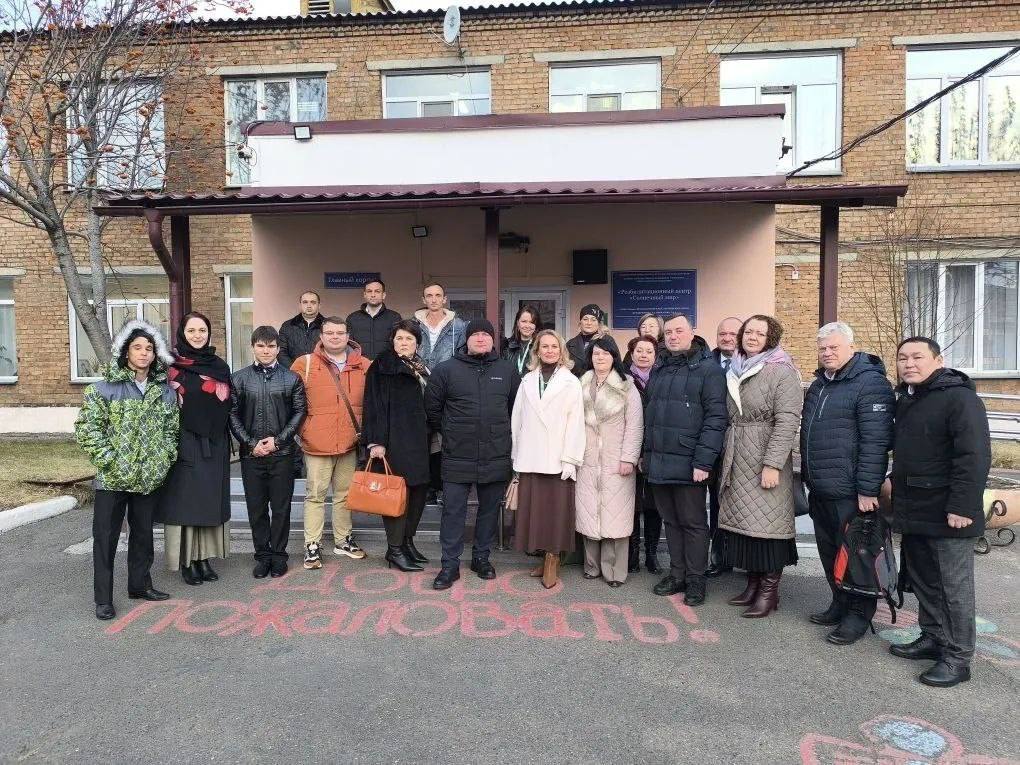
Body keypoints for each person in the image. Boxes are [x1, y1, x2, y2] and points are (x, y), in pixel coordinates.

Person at [890, 336, 991, 688]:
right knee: (925, 580)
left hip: (950, 511)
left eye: (918, 357)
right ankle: (933, 637)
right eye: (903, 358)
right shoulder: (908, 397)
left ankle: (958, 656)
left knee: (954, 588)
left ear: (938, 359)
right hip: (915, 506)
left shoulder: (960, 398)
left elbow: (973, 455)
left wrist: (963, 505)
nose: (909, 364)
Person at [75, 320, 179, 620]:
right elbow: (88, 429)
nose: (144, 353)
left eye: (149, 348)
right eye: (137, 348)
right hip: (112, 479)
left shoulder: (165, 392)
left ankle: (139, 585)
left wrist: (164, 458)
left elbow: (172, 431)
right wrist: (111, 461)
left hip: (148, 479)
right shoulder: (103, 389)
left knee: (143, 536)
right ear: (125, 352)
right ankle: (103, 599)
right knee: (105, 539)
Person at [801, 321, 894, 645]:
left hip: (852, 492)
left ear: (851, 348)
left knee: (857, 555)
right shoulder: (819, 385)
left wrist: (868, 488)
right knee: (830, 553)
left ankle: (859, 614)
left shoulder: (870, 384)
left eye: (834, 347)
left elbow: (875, 441)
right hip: (822, 487)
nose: (827, 353)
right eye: (823, 348)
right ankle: (839, 603)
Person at [717, 315, 803, 617]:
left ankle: (769, 591)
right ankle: (753, 584)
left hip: (764, 455)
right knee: (747, 525)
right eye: (748, 331)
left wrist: (773, 464)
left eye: (760, 333)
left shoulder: (782, 371)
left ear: (771, 338)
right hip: (739, 454)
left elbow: (788, 420)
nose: (752, 337)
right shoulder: (736, 367)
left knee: (768, 525)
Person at [425, 318, 519, 590]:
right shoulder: (446, 370)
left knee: (489, 510)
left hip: (496, 453)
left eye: (485, 335)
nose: (480, 338)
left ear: (493, 340)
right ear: (466, 339)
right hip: (457, 454)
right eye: (475, 334)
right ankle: (449, 565)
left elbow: (517, 410)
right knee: (453, 511)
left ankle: (481, 558)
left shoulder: (508, 370)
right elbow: (432, 408)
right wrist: (450, 432)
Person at [642, 313, 727, 607]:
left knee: (693, 523)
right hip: (659, 461)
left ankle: (696, 579)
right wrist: (645, 454)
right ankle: (677, 574)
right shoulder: (660, 368)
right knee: (671, 521)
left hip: (690, 462)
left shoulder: (708, 370)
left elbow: (716, 419)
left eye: (679, 331)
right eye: (669, 332)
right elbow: (649, 415)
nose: (673, 336)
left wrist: (704, 462)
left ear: (692, 332)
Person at [158, 312, 232, 587]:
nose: (198, 335)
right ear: (182, 334)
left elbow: (229, 403)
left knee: (208, 501)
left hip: (215, 442)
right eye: (192, 330)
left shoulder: (219, 365)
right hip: (185, 440)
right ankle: (187, 560)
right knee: (187, 502)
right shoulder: (170, 367)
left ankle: (204, 558)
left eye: (202, 330)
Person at [291, 317, 369, 570]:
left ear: (348, 336)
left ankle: (343, 540)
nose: (335, 337)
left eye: (340, 332)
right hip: (316, 443)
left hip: (348, 442)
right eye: (329, 332)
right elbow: (291, 401)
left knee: (345, 495)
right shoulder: (305, 363)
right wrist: (303, 431)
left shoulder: (364, 365)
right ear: (321, 336)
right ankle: (312, 545)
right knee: (315, 495)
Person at [229, 325, 307, 579]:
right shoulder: (239, 378)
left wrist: (279, 441)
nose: (266, 350)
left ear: (278, 348)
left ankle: (279, 556)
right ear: (253, 347)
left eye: (271, 346)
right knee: (257, 509)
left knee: (281, 509)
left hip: (282, 455)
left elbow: (299, 412)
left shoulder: (291, 378)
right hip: (252, 457)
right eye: (261, 345)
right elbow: (232, 415)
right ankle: (262, 556)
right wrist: (252, 443)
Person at [510, 329, 585, 589]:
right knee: (536, 512)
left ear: (561, 350)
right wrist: (516, 455)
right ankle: (543, 556)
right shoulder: (527, 380)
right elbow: (517, 419)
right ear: (537, 350)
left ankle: (554, 559)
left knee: (555, 512)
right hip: (531, 455)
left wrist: (570, 459)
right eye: (545, 346)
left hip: (557, 457)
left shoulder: (570, 382)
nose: (549, 350)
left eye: (554, 346)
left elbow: (576, 423)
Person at [362, 319, 433, 572]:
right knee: (397, 494)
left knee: (417, 493)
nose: (404, 343)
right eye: (400, 338)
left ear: (417, 343)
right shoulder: (383, 365)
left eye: (409, 339)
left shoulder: (421, 367)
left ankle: (407, 542)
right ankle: (394, 549)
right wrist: (376, 442)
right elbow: (373, 404)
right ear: (392, 341)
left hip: (421, 440)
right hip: (394, 440)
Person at [576, 338, 643, 587]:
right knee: (589, 511)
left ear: (614, 356)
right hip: (587, 459)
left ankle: (615, 571)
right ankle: (591, 566)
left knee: (616, 516)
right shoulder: (581, 384)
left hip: (617, 460)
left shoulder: (627, 386)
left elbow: (635, 426)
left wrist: (629, 458)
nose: (600, 357)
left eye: (605, 353)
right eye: (595, 353)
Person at [414, 282, 468, 504]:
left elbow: (463, 354)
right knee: (421, 439)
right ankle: (425, 487)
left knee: (445, 440)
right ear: (424, 299)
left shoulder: (458, 326)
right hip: (418, 387)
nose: (434, 299)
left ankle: (445, 487)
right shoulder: (413, 324)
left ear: (444, 299)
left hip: (447, 389)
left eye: (438, 295)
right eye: (429, 295)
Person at [707, 316, 743, 577]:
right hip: (714, 447)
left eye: (732, 334)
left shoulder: (754, 363)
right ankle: (719, 558)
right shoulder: (706, 363)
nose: (727, 338)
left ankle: (742, 556)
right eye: (722, 334)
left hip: (742, 447)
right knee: (717, 503)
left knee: (742, 502)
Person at [626, 334, 662, 574]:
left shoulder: (662, 378)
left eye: (649, 351)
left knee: (653, 506)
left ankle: (651, 554)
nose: (644, 355)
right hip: (631, 450)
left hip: (656, 450)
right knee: (632, 505)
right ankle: (631, 555)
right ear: (631, 353)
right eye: (639, 350)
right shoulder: (623, 380)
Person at [345, 278, 402, 361]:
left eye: (377, 291)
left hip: (387, 368)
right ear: (364, 294)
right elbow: (348, 346)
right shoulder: (352, 318)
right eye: (369, 291)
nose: (373, 295)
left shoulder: (394, 317)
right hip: (360, 367)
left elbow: (399, 344)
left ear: (384, 295)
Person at [566, 304, 619, 377]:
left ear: (599, 323)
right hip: (577, 386)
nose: (589, 323)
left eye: (593, 320)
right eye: (585, 319)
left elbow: (617, 365)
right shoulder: (570, 344)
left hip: (601, 385)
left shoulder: (607, 340)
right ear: (580, 322)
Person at [278, 290, 325, 369]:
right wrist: (294, 370)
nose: (309, 305)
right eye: (305, 302)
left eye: (313, 302)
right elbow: (281, 352)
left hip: (321, 372)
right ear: (300, 305)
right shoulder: (287, 326)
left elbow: (333, 350)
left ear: (319, 305)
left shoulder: (328, 325)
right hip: (293, 375)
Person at [502, 304, 541, 380]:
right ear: (517, 323)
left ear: (536, 326)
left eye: (531, 322)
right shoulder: (506, 345)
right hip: (511, 390)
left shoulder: (541, 345)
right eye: (524, 321)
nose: (527, 326)